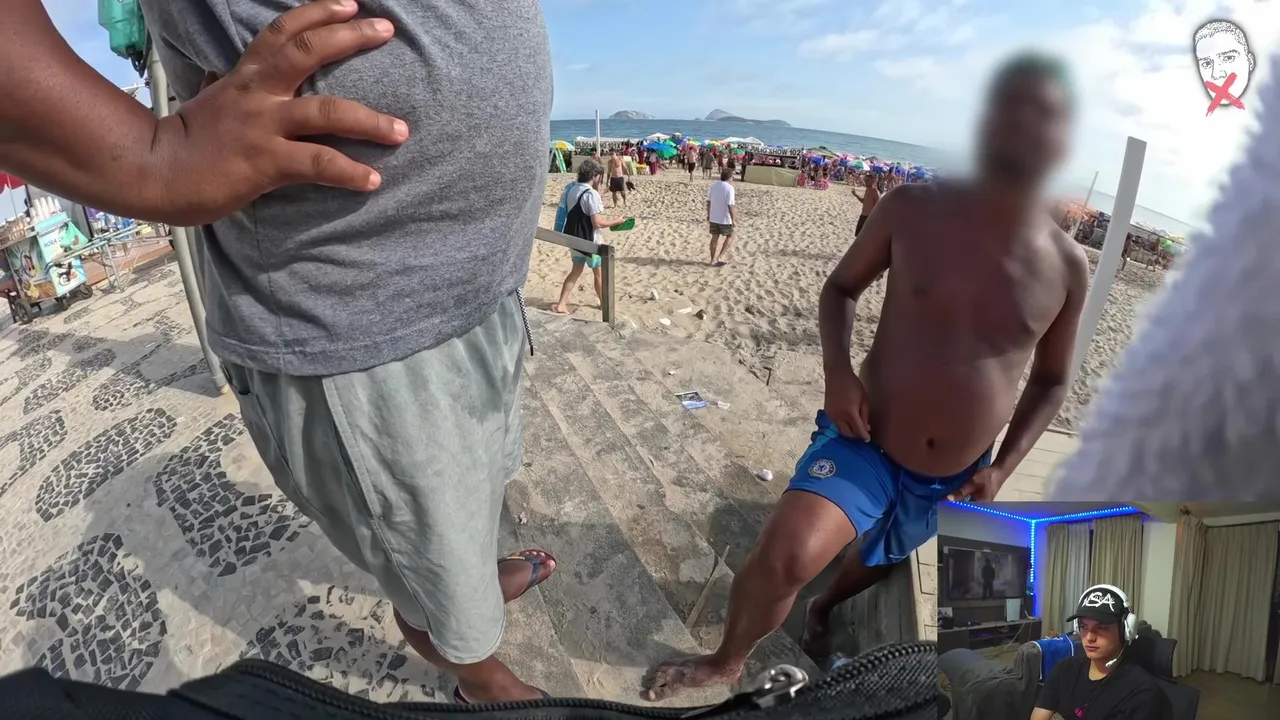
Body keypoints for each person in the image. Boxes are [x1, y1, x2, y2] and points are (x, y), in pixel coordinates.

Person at [8, 0, 556, 704]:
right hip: (361, 326)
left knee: (467, 504)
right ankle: (478, 675)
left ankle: (464, 580)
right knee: (433, 573)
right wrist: (154, 161)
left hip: (486, 289)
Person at [643, 52, 1088, 700]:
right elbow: (840, 289)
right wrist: (837, 372)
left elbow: (1051, 380)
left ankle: (824, 608)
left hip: (956, 473)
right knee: (786, 555)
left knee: (880, 560)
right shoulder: (914, 208)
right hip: (867, 439)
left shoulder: (1067, 267)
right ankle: (726, 662)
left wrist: (1002, 469)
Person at [1032, 585, 1164, 720]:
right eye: (1083, 626)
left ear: (1124, 631)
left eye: (1101, 628)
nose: (1089, 637)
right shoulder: (1064, 669)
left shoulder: (1141, 692)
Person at [554, 159, 627, 314]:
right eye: (599, 176)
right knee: (598, 274)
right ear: (594, 176)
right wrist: (617, 221)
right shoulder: (591, 194)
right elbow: (597, 223)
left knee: (576, 270)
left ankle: (561, 303)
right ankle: (604, 304)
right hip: (589, 241)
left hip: (574, 239)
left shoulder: (571, 189)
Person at [706, 168, 737, 267]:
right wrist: (733, 220)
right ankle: (720, 257)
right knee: (730, 236)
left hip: (714, 216)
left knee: (714, 237)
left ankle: (712, 260)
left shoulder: (714, 186)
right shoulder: (729, 188)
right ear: (730, 177)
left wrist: (709, 214)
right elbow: (730, 205)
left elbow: (708, 202)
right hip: (724, 218)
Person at [851, 171, 881, 236]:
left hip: (869, 218)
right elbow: (863, 201)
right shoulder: (867, 190)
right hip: (862, 215)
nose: (866, 181)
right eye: (866, 179)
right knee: (858, 235)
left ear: (873, 181)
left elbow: (878, 208)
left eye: (868, 180)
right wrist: (855, 194)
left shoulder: (875, 192)